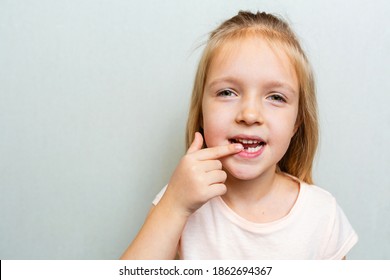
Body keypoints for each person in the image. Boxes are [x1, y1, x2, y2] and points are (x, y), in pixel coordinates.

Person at [120, 11, 358, 260]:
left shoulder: (322, 215)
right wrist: (174, 206)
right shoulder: (178, 201)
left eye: (275, 97)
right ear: (201, 112)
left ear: (297, 122)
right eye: (227, 92)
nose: (250, 114)